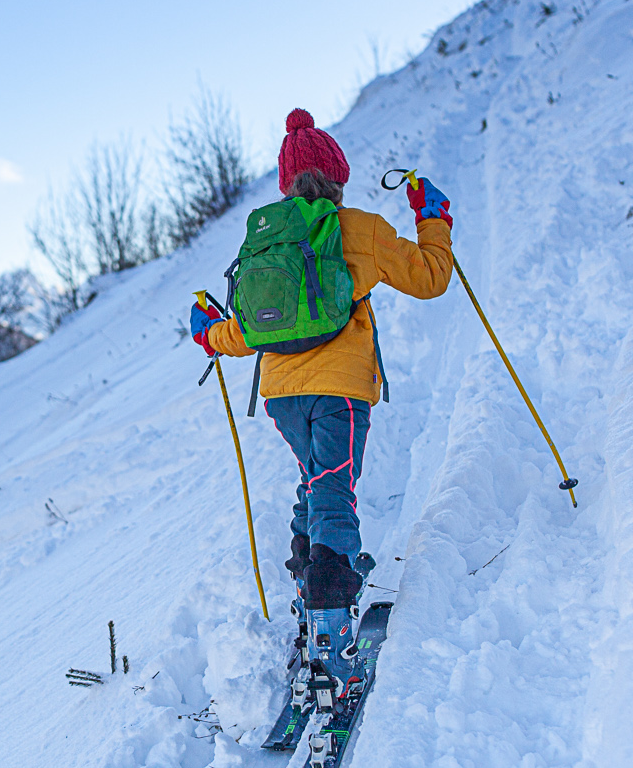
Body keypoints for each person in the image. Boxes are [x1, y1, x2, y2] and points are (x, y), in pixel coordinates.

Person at [190, 108, 455, 663]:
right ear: (338, 177)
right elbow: (430, 279)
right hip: (341, 390)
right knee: (333, 491)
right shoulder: (359, 229)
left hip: (282, 394)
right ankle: (331, 631)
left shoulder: (267, 246)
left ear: (287, 184)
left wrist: (211, 335)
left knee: (315, 483)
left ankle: (311, 602)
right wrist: (433, 219)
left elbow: (249, 330)